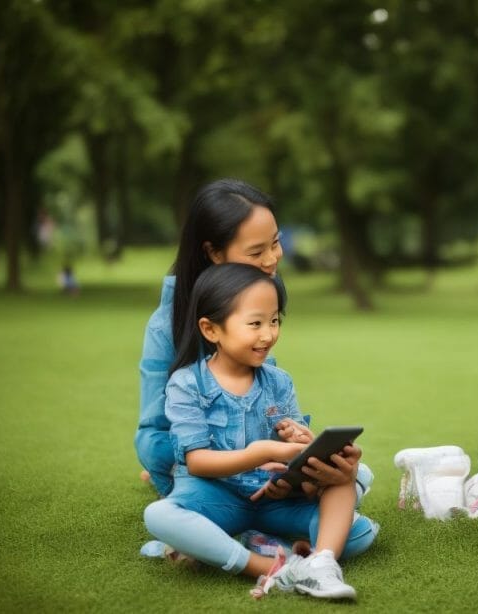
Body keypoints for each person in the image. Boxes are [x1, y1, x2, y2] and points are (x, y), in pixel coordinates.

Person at [143, 263, 375, 600]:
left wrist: (304, 448)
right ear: (211, 329)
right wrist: (265, 451)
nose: (268, 334)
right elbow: (197, 462)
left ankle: (320, 563)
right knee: (159, 515)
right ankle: (268, 565)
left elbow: (294, 451)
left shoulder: (279, 381)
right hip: (215, 498)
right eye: (255, 324)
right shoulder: (187, 384)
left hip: (274, 500)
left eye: (275, 321)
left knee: (355, 516)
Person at [135, 178, 372, 501]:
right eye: (256, 251)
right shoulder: (167, 325)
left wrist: (301, 442)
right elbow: (153, 433)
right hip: (205, 459)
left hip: (259, 455)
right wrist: (200, 455)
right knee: (167, 457)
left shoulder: (263, 290)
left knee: (352, 471)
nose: (272, 259)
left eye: (274, 243)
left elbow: (266, 404)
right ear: (214, 252)